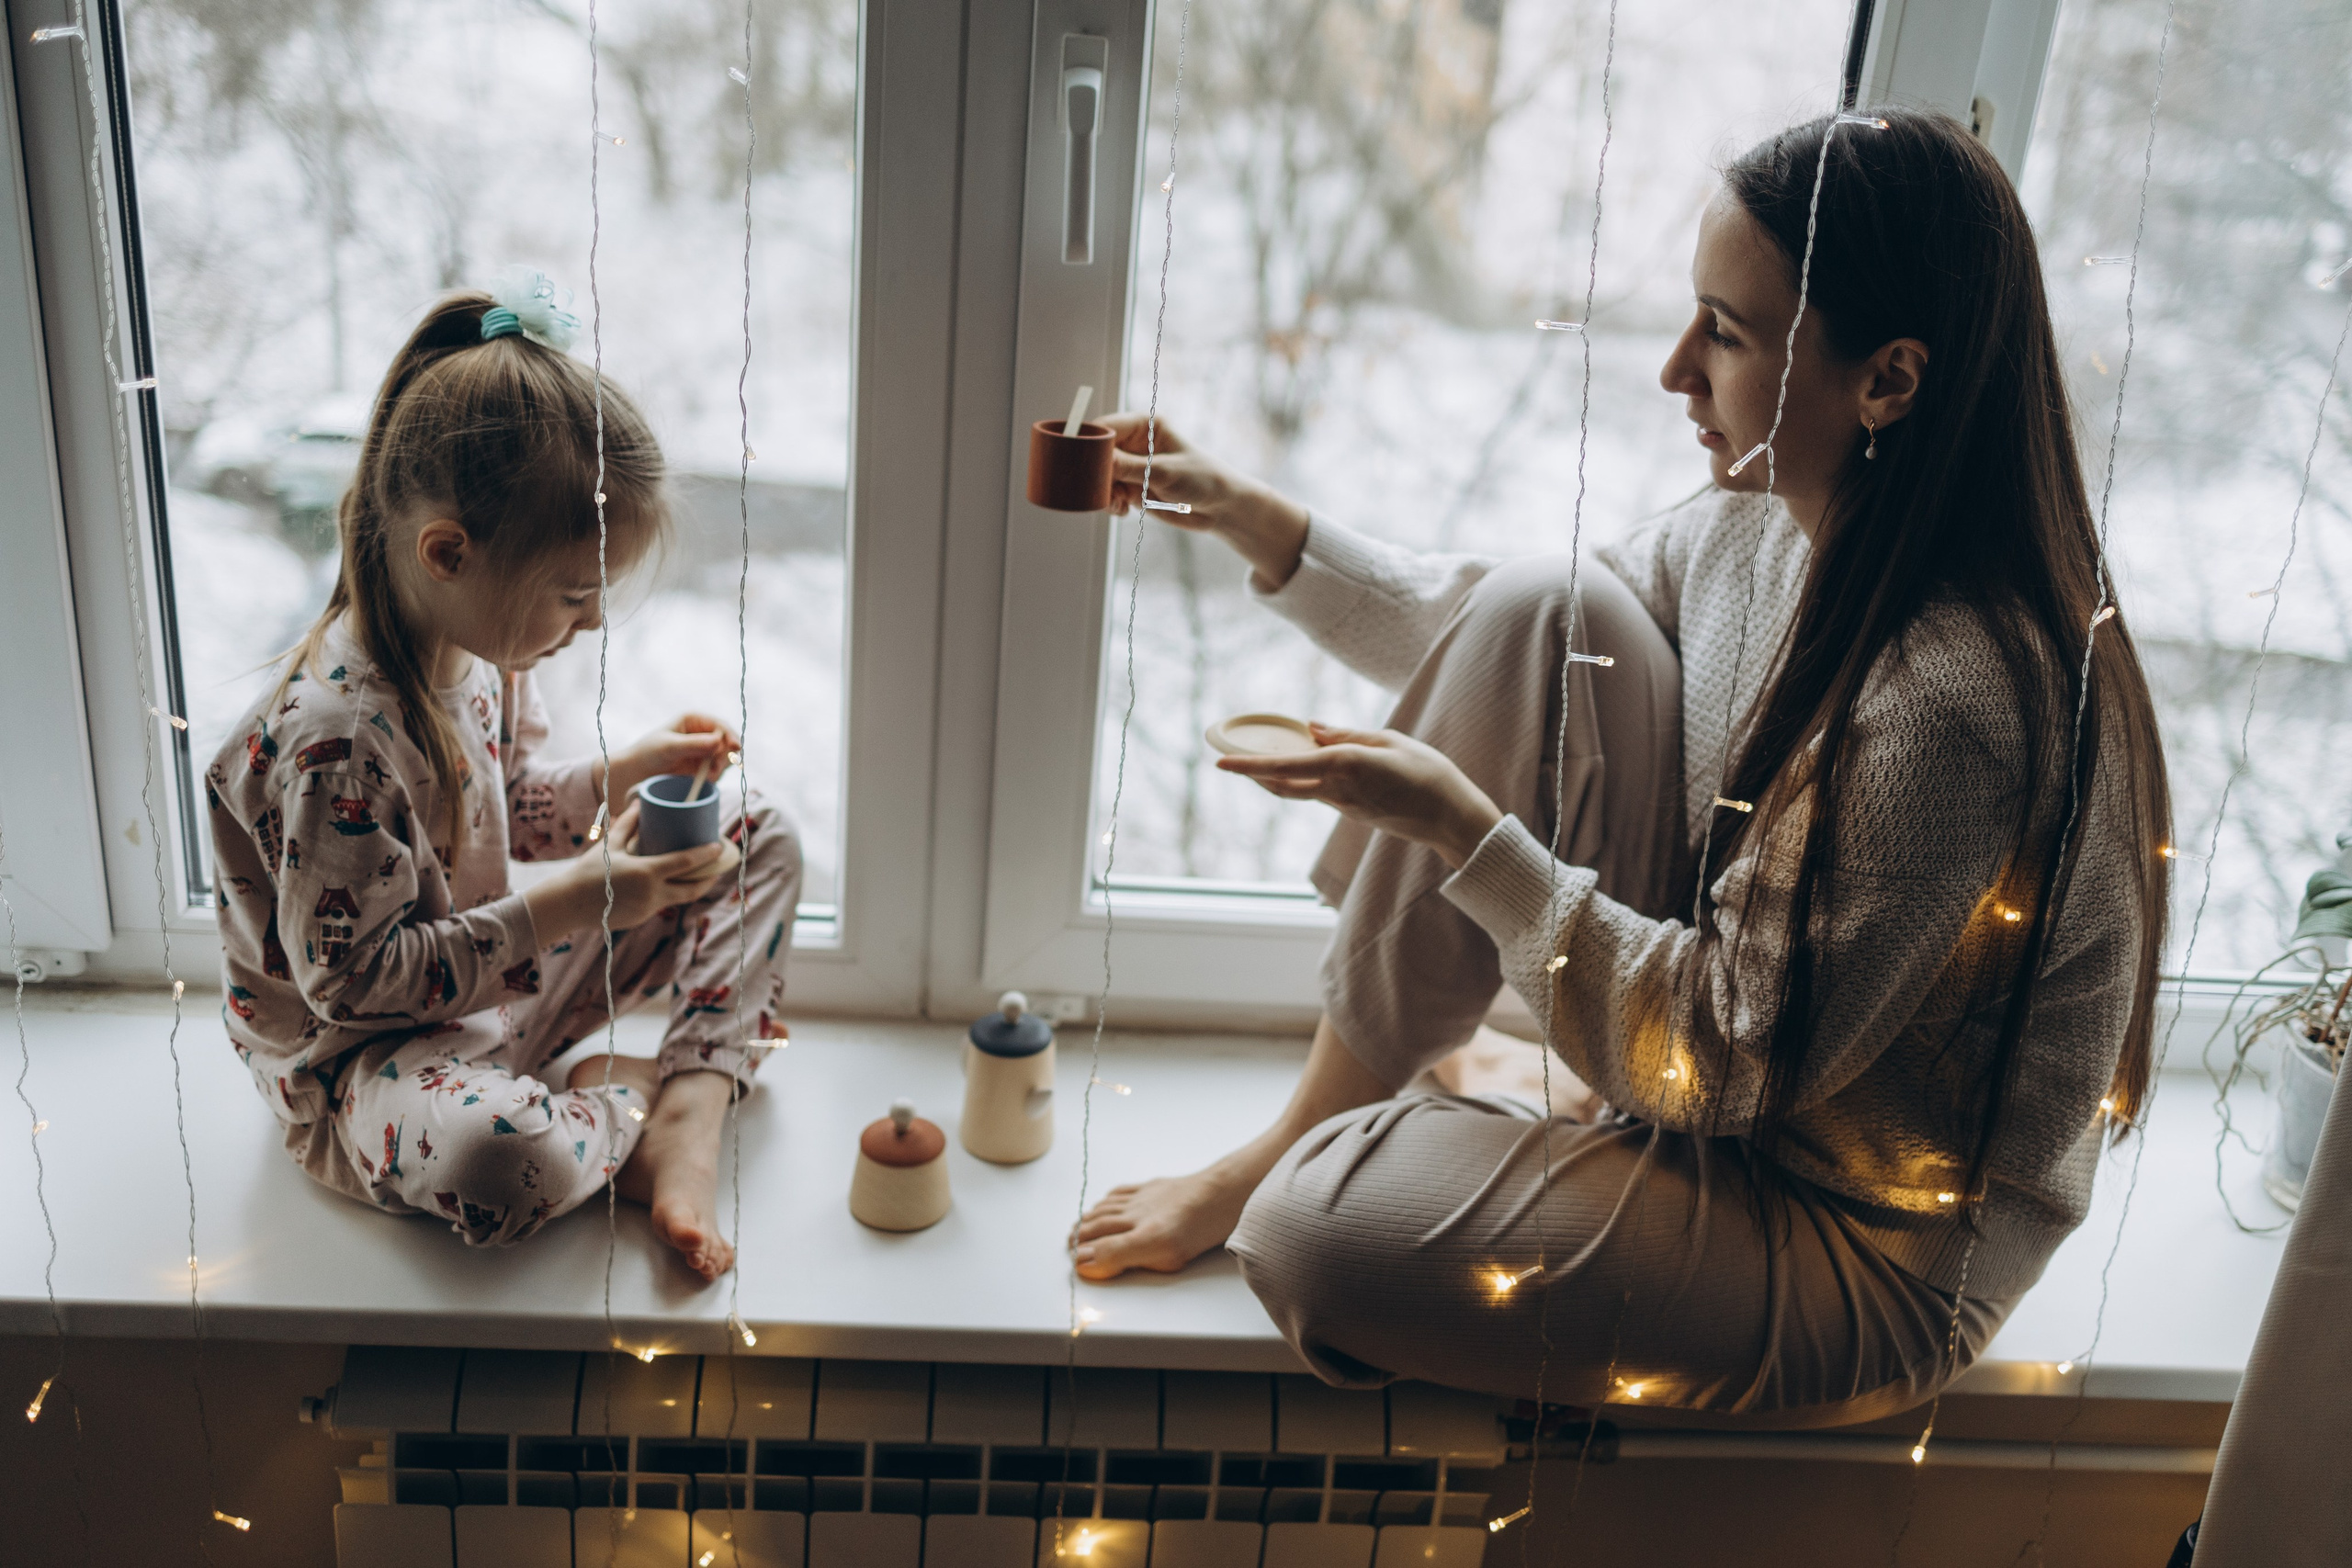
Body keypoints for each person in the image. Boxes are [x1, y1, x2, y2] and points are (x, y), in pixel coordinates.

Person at [1071, 109, 2172, 1423]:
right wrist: (1261, 521)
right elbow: (1501, 634)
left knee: (1312, 1234)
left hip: (1859, 1232)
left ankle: (1392, 1142)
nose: (1673, 370)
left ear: (1887, 381)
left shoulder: (1955, 703)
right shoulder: (1769, 520)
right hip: (1725, 1078)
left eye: (1726, 330)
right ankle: (1321, 1127)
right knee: (1554, 604)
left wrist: (1470, 840)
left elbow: (1722, 1050)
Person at [207, 273, 801, 1283]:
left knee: (757, 835)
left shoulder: (478, 655)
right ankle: (623, 1112)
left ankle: (692, 1102)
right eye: (574, 595)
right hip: (365, 1080)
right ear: (449, 553)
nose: (595, 622)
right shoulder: (334, 746)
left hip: (492, 996)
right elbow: (355, 988)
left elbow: (510, 807)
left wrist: (630, 771)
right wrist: (579, 903)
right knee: (501, 1163)